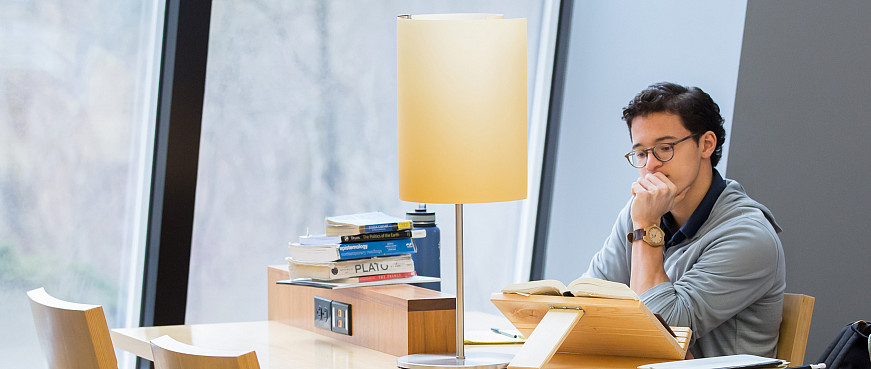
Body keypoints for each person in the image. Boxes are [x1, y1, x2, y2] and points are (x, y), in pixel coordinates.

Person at [582, 82, 786, 358]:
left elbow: (659, 331)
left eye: (664, 148)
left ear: (706, 144)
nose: (651, 165)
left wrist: (646, 228)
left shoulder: (749, 236)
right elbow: (587, 301)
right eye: (641, 153)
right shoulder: (641, 211)